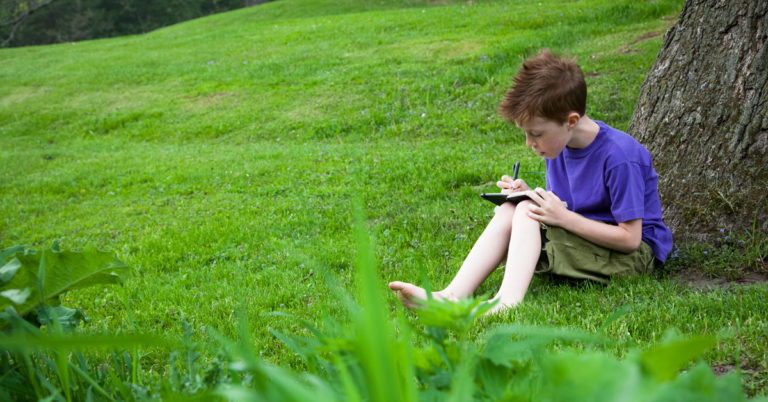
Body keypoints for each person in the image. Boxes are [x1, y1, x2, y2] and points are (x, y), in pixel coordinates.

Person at [388, 49, 673, 315]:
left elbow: (630, 239)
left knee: (526, 211)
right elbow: (564, 207)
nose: (529, 143)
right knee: (514, 207)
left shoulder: (621, 157)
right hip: (587, 240)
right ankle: (452, 294)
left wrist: (561, 217)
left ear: (571, 121)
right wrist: (529, 195)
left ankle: (506, 304)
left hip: (633, 258)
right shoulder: (558, 145)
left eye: (536, 134)